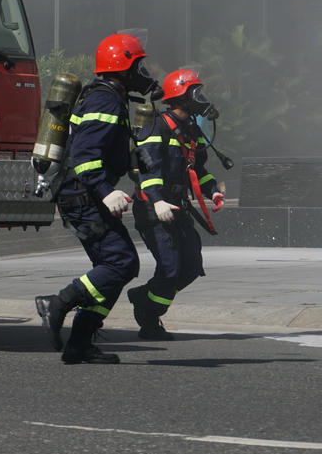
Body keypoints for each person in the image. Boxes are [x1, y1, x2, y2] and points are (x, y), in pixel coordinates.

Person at [34, 33, 162, 364]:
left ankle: (79, 344)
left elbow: (104, 150)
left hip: (82, 195)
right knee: (122, 263)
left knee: (113, 269)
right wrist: (106, 192)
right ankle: (57, 303)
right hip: (83, 196)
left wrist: (134, 160)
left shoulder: (110, 98)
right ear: (122, 66)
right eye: (139, 65)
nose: (144, 73)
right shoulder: (104, 101)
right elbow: (85, 155)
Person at [127, 68, 225, 340]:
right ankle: (149, 315)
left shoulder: (191, 131)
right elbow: (147, 170)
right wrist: (157, 201)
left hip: (178, 207)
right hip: (153, 209)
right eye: (196, 92)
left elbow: (198, 169)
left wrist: (213, 191)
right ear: (181, 97)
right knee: (170, 268)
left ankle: (143, 298)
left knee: (191, 266)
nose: (201, 98)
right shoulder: (156, 128)